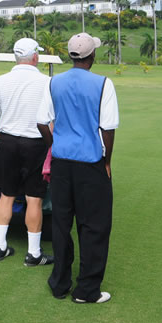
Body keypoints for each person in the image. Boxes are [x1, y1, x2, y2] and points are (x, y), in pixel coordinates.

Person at [37, 33, 119, 304]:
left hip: (61, 163)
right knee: (94, 225)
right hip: (90, 163)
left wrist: (54, 146)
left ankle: (60, 284)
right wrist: (107, 161)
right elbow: (108, 128)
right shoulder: (103, 84)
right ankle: (86, 290)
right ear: (91, 55)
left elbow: (41, 123)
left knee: (61, 224)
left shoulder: (53, 82)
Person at [0, 38, 55, 266]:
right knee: (34, 199)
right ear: (35, 56)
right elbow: (52, 121)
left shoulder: (0, 81)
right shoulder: (47, 82)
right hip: (36, 145)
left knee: (7, 196)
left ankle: (0, 247)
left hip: (8, 143)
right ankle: (33, 253)